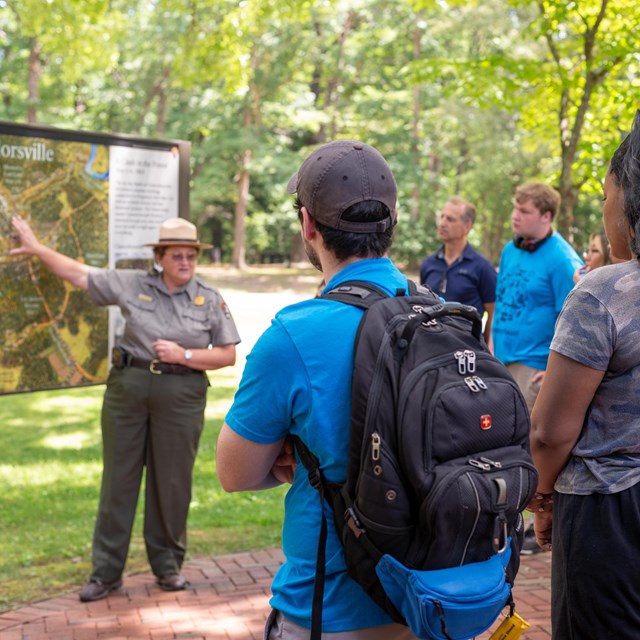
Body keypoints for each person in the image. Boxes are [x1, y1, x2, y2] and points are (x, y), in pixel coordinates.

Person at [216, 140, 417, 639]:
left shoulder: (293, 335)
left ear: (308, 224)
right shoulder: (441, 312)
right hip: (432, 602)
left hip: (331, 606)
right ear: (393, 218)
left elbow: (235, 472)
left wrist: (297, 456)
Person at [10, 216, 241, 602]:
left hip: (181, 394)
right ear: (160, 257)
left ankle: (168, 567)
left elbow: (227, 355)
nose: (185, 262)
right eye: (177, 255)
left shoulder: (209, 297)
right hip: (128, 390)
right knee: (118, 480)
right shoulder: (133, 284)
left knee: (172, 483)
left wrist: (183, 354)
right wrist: (37, 248)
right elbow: (81, 275)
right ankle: (106, 572)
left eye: (191, 256)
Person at [528, 112, 640, 638]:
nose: (604, 207)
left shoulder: (603, 293)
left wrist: (543, 498)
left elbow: (550, 431)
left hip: (607, 513)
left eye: (605, 195)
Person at [491, 182, 582, 555]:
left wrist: (554, 368)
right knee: (501, 443)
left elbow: (575, 315)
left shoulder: (562, 259)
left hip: (536, 366)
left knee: (530, 446)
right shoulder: (510, 251)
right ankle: (504, 518)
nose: (516, 215)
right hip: (503, 359)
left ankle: (531, 525)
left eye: (525, 210)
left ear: (546, 216)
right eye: (515, 207)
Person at [419, 196, 496, 342]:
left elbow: (493, 313)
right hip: (430, 348)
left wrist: (486, 347)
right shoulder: (428, 264)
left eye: (450, 219)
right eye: (442, 217)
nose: (442, 223)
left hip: (466, 351)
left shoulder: (482, 267)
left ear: (468, 226)